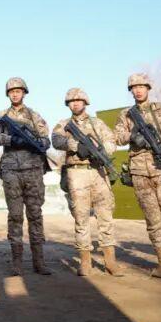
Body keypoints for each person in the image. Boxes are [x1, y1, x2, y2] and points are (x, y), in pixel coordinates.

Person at [113, 73, 161, 280]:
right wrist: (132, 136)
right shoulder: (126, 114)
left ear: (148, 88)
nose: (138, 90)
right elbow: (117, 137)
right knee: (153, 219)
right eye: (134, 87)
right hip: (140, 172)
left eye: (141, 86)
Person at [50, 87, 123, 277]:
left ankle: (110, 262)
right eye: (71, 102)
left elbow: (111, 141)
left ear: (85, 102)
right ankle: (85, 261)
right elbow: (56, 140)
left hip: (98, 171)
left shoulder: (97, 123)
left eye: (78, 101)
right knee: (81, 217)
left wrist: (102, 150)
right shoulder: (63, 124)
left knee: (105, 216)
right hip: (77, 173)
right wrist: (75, 146)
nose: (75, 104)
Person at [0, 77, 53, 275]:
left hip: (33, 170)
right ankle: (17, 262)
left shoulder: (34, 115)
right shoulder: (2, 116)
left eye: (18, 91)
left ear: (24, 93)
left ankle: (39, 261)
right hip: (11, 172)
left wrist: (36, 143)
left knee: (35, 215)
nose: (15, 94)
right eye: (12, 92)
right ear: (8, 94)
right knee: (15, 216)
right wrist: (12, 140)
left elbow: (46, 140)